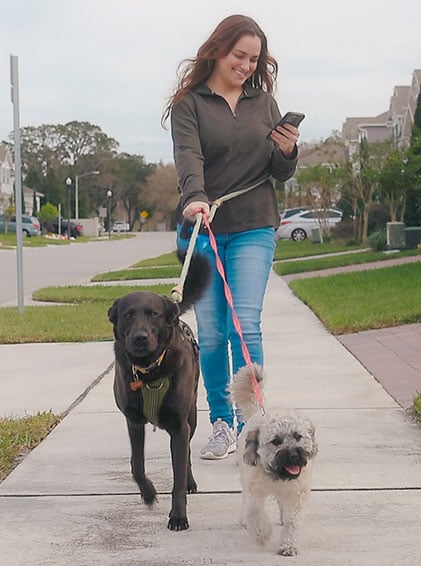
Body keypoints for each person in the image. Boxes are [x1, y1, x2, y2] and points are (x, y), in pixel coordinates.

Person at [165, 14, 300, 460]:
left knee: (245, 324)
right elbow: (188, 156)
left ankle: (253, 426)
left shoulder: (264, 103)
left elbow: (279, 173)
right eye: (239, 55)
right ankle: (222, 421)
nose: (245, 65)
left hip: (255, 224)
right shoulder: (191, 103)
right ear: (218, 50)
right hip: (202, 225)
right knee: (212, 329)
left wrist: (286, 149)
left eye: (253, 59)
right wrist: (195, 197)